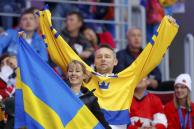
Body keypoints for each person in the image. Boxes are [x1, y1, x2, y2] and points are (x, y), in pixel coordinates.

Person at [40, 9, 178, 129]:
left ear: (115, 61)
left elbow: (149, 56)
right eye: (99, 57)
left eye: (107, 56)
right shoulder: (85, 74)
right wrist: (45, 21)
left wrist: (166, 28)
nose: (103, 59)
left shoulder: (128, 78)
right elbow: (63, 53)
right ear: (94, 61)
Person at [66, 60, 111, 129]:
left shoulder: (91, 99)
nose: (73, 73)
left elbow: (102, 122)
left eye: (77, 71)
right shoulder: (59, 93)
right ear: (67, 74)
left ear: (84, 75)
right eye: (70, 71)